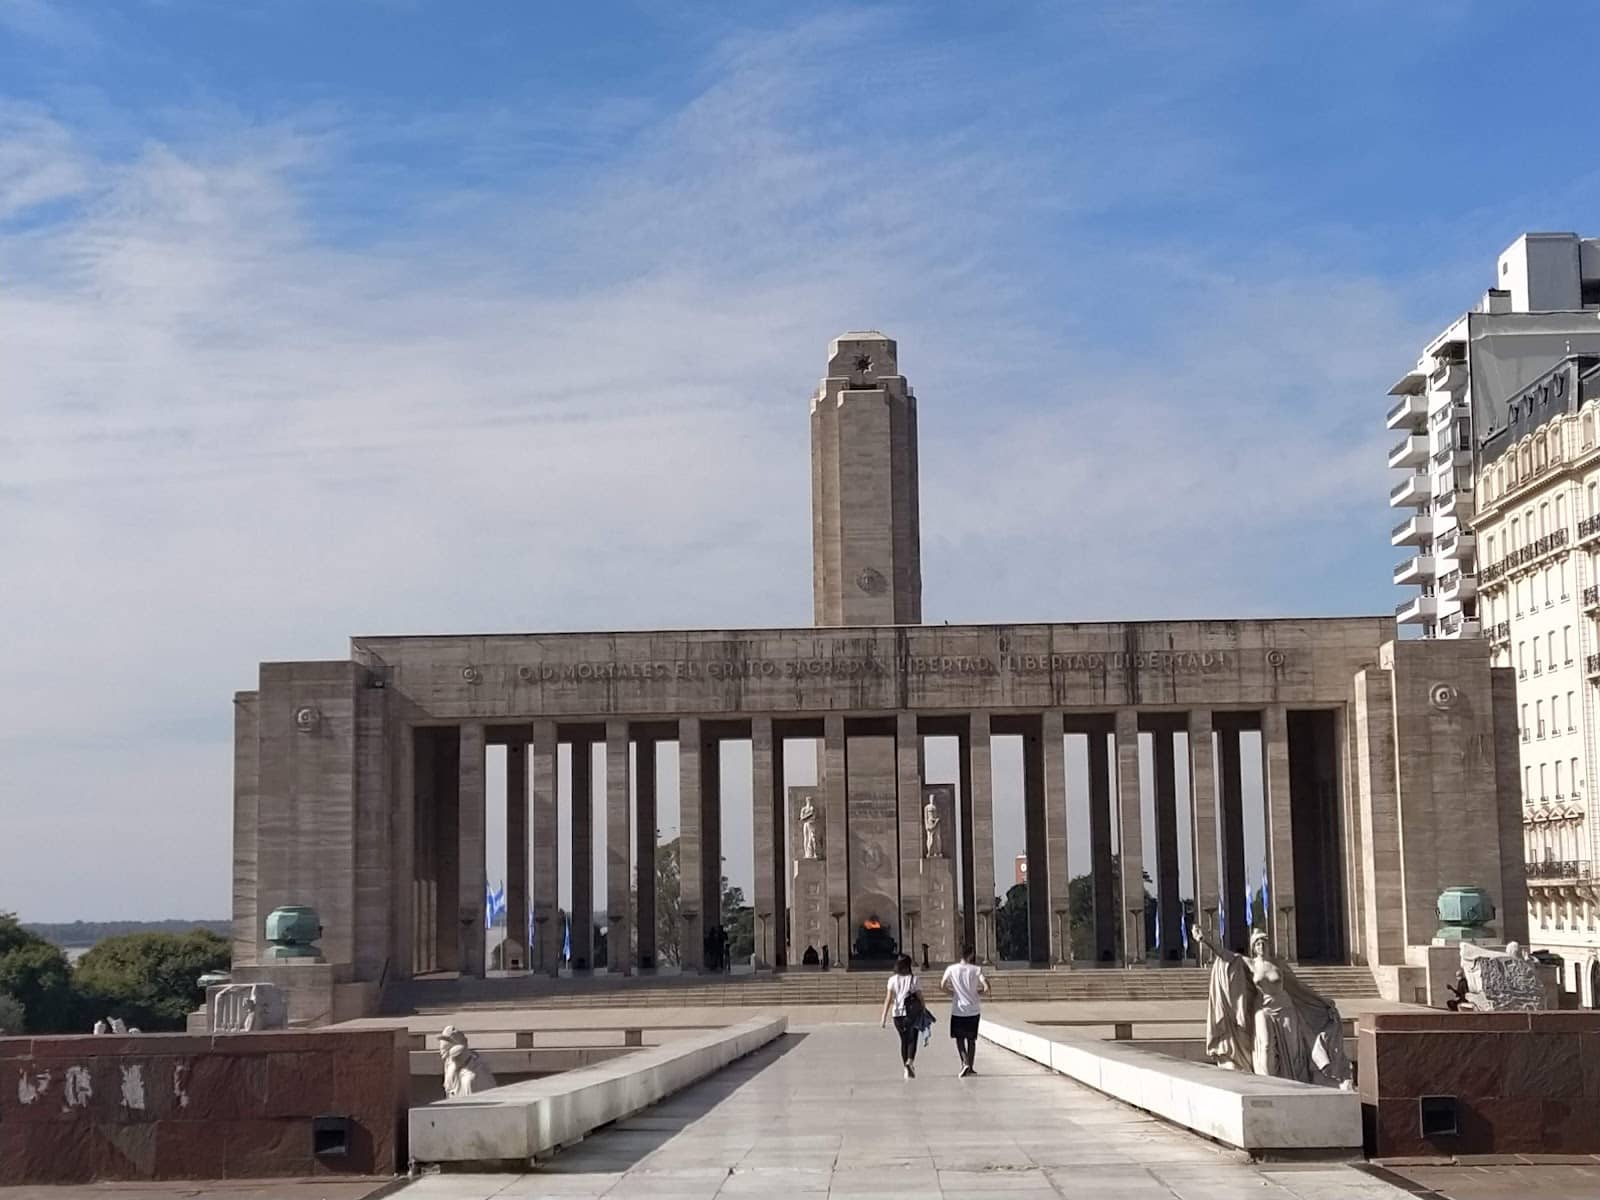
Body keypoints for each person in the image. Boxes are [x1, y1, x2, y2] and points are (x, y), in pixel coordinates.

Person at [940, 945, 988, 1076]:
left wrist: (952, 993)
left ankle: (965, 1062)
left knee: (959, 1038)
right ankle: (970, 1066)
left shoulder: (951, 969)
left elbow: (942, 985)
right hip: (973, 1009)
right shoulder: (976, 969)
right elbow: (986, 986)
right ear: (971, 954)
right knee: (971, 1039)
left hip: (958, 1009)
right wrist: (978, 993)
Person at [879, 953, 924, 1078]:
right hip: (911, 1014)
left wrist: (883, 1016)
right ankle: (910, 1061)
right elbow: (920, 997)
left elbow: (888, 998)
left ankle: (905, 1067)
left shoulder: (892, 980)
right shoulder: (914, 979)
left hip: (897, 1014)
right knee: (912, 1039)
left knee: (903, 1041)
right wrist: (924, 1009)